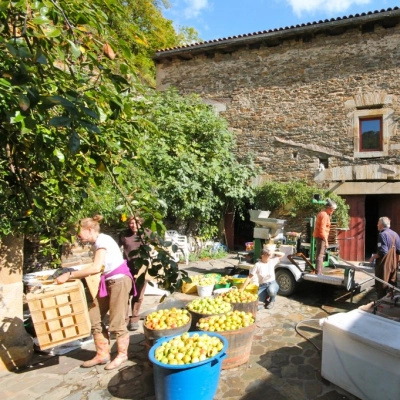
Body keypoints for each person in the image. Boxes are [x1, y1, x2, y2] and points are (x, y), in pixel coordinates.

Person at [56, 215, 135, 370]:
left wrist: (69, 275)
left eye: (79, 233)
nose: (78, 237)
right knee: (94, 316)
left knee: (117, 321)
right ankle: (102, 354)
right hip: (108, 281)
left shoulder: (102, 241)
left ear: (89, 229)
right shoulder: (97, 243)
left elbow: (95, 267)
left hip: (119, 281)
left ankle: (122, 354)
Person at [119, 215, 149, 331]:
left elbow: (155, 247)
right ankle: (124, 319)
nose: (133, 226)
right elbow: (117, 249)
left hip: (142, 268)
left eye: (136, 223)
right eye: (131, 223)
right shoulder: (124, 235)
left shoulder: (147, 233)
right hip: (127, 267)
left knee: (138, 294)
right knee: (125, 293)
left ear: (140, 223)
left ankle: (134, 318)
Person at [369, 216, 400, 299]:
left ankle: (380, 305)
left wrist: (373, 258)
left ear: (381, 225)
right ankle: (391, 303)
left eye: (378, 223)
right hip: (393, 265)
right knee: (392, 286)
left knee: (382, 286)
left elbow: (383, 251)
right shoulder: (395, 234)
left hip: (384, 266)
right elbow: (398, 251)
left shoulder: (382, 234)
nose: (377, 225)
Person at [312, 198, 337, 275]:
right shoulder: (324, 215)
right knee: (320, 255)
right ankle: (318, 273)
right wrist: (326, 241)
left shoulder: (323, 213)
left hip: (320, 237)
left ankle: (319, 271)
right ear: (329, 208)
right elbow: (322, 230)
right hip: (321, 237)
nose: (333, 211)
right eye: (333, 209)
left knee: (319, 254)